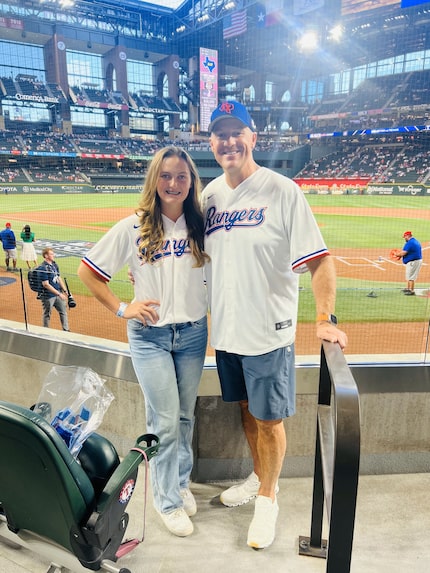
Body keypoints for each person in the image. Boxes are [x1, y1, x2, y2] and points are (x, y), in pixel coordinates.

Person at [202, 100, 348, 550]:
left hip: (269, 332)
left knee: (269, 420)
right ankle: (260, 477)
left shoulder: (282, 190)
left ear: (253, 138)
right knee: (246, 412)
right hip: (227, 332)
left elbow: (321, 262)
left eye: (236, 132)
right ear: (211, 143)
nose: (228, 141)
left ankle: (267, 500)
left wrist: (325, 319)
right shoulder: (208, 197)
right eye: (220, 134)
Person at [78, 146, 209, 538]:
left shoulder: (201, 223)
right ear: (154, 180)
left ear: (191, 182)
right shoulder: (133, 227)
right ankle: (166, 500)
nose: (173, 183)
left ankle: (179, 482)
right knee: (166, 420)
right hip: (149, 336)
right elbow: (88, 272)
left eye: (181, 176)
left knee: (184, 416)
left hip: (192, 334)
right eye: (166, 176)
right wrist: (122, 308)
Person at [39, 247, 70, 331]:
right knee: (47, 314)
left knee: (63, 311)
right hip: (48, 296)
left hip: (58, 294)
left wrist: (65, 291)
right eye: (51, 254)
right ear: (46, 256)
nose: (53, 255)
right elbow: (46, 284)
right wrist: (59, 294)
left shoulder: (54, 265)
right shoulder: (43, 268)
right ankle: (45, 331)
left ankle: (66, 330)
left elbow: (59, 278)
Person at [397, 231, 422, 295]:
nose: (404, 238)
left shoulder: (410, 243)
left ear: (407, 236)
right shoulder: (414, 241)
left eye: (405, 237)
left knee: (411, 276)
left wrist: (397, 254)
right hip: (414, 261)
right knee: (409, 275)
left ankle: (411, 290)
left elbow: (403, 253)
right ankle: (408, 288)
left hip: (413, 262)